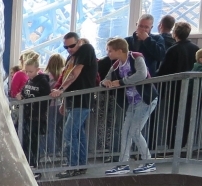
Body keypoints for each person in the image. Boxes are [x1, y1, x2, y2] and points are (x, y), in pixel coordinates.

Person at [102, 37, 155, 176]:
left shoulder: (136, 57)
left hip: (146, 99)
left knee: (135, 131)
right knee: (125, 131)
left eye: (110, 51)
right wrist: (106, 82)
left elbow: (142, 74)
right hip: (132, 102)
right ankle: (123, 164)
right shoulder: (116, 65)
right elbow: (106, 79)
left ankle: (148, 161)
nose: (108, 53)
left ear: (120, 50)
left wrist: (121, 82)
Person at [53, 32, 98, 177]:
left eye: (72, 45)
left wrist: (60, 90)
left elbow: (75, 73)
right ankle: (79, 166)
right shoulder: (70, 57)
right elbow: (69, 76)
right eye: (66, 47)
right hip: (74, 101)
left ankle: (73, 166)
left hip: (82, 100)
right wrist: (64, 102)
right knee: (78, 134)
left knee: (69, 133)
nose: (69, 49)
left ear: (78, 42)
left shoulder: (86, 49)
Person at [18, 53, 52, 176]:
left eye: (30, 72)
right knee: (26, 142)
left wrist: (39, 113)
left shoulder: (43, 82)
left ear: (38, 70)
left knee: (33, 143)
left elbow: (46, 100)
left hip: (36, 118)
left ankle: (34, 166)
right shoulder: (29, 81)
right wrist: (20, 95)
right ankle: (28, 165)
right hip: (27, 116)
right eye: (26, 72)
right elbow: (23, 92)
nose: (28, 74)